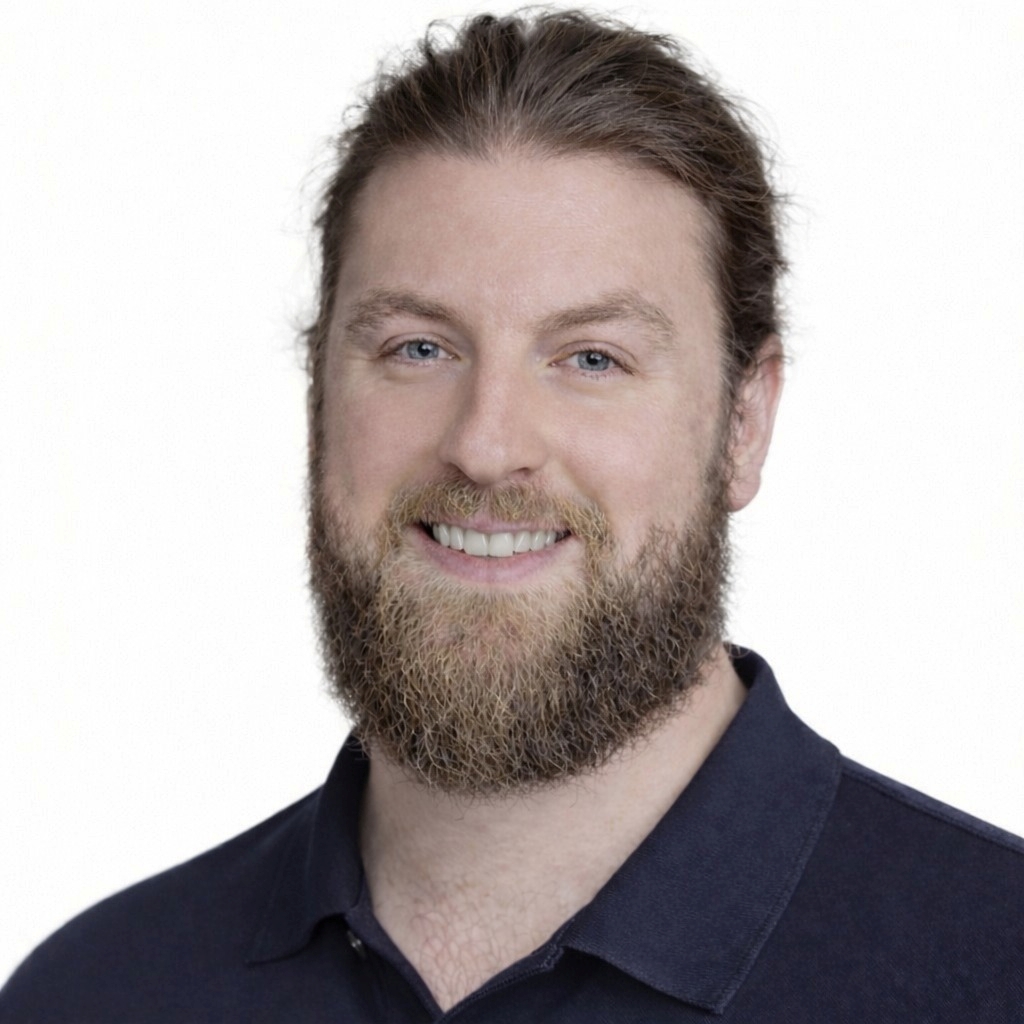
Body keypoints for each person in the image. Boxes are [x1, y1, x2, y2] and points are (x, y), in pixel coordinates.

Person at [2, 9, 1021, 1022]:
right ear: (318, 394)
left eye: (591, 358)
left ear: (743, 423)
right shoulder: (93, 993)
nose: (486, 445)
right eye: (417, 348)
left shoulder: (992, 967)